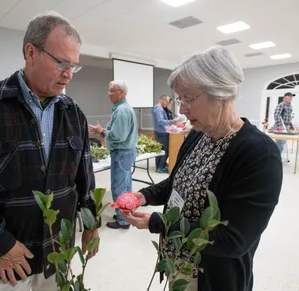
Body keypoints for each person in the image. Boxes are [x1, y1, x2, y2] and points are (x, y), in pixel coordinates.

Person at [0, 11, 100, 291]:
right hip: (6, 259)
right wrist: (1, 245)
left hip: (57, 250)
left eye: (74, 66)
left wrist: (91, 223)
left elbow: (85, 179)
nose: (68, 75)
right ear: (30, 52)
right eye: (61, 63)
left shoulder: (73, 113)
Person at [121, 46, 283, 291]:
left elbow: (234, 239)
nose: (181, 109)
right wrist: (143, 195)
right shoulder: (199, 134)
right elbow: (176, 183)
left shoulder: (259, 154)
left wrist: (158, 223)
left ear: (220, 93)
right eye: (179, 99)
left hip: (213, 277)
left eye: (188, 98)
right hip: (178, 262)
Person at [89, 80, 138, 229]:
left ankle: (123, 221)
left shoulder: (121, 111)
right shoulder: (123, 108)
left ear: (122, 92)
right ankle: (127, 215)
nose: (109, 94)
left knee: (119, 188)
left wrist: (101, 131)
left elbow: (118, 136)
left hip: (121, 153)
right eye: (109, 90)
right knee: (126, 186)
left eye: (113, 90)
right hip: (127, 152)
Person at [152, 95, 178, 173]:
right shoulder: (159, 109)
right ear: (163, 99)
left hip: (159, 132)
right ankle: (161, 167)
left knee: (159, 149)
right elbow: (160, 121)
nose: (167, 103)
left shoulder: (156, 107)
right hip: (162, 133)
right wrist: (172, 121)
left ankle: (159, 165)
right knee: (165, 150)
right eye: (166, 101)